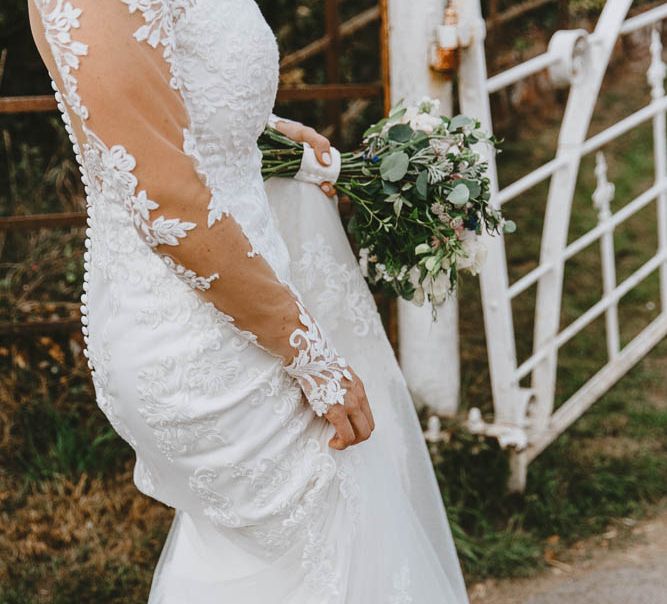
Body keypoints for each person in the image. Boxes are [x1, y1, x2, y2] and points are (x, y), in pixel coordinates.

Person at [28, 0, 470, 601]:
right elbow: (165, 200)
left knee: (294, 565)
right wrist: (309, 354)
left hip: (250, 310)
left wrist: (251, 129)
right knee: (337, 544)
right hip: (201, 339)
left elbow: (165, 96)